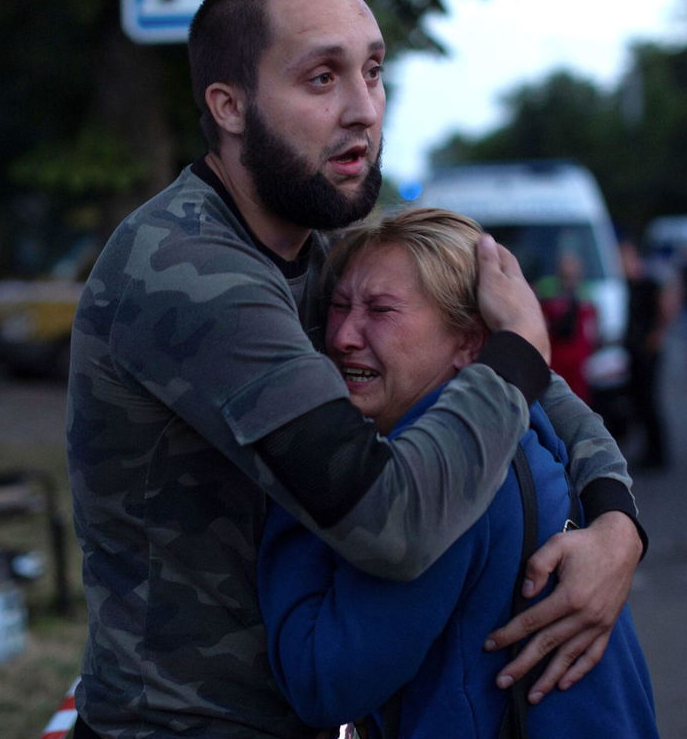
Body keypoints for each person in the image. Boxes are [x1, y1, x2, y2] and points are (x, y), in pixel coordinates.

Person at [66, 0, 645, 738]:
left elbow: (546, 394)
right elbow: (390, 523)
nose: (365, 110)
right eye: (321, 79)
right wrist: (514, 352)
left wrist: (617, 527)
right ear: (229, 106)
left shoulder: (338, 237)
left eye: (373, 71)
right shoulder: (190, 272)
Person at [259, 208, 658, 738]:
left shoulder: (451, 473)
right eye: (337, 306)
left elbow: (324, 680)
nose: (343, 336)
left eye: (380, 310)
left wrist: (298, 480)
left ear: (471, 342)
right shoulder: (522, 427)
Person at [620, 238, 677, 470]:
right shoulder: (623, 284)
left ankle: (657, 453)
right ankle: (650, 451)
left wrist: (657, 334)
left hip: (647, 350)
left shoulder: (648, 284)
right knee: (639, 400)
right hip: (633, 348)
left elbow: (665, 308)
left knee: (649, 400)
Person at [538, 251, 599, 404]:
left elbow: (592, 330)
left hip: (576, 361)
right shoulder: (548, 292)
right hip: (557, 358)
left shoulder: (586, 295)